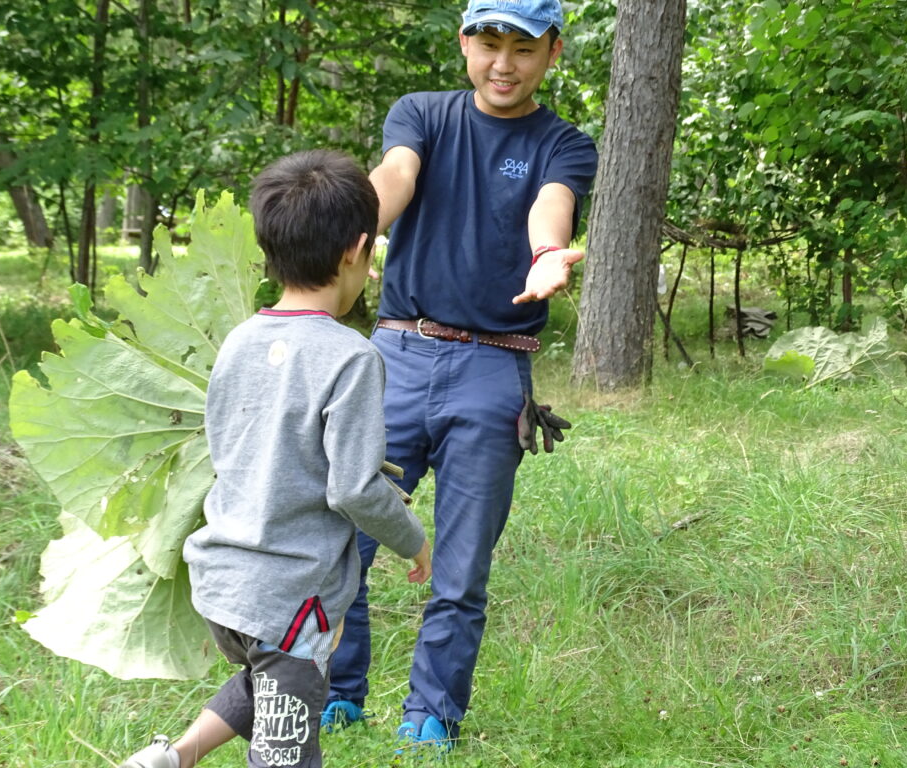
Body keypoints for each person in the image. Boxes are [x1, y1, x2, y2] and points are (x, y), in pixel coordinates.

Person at [320, 0, 599, 753]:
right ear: (465, 44)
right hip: (395, 359)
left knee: (462, 564)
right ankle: (335, 693)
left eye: (524, 48)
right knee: (344, 540)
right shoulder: (422, 113)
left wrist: (548, 254)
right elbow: (396, 174)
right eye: (490, 43)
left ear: (553, 54)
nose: (504, 64)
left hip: (494, 368)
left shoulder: (564, 143)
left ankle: (431, 713)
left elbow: (551, 205)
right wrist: (355, 227)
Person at [119, 149, 432, 768]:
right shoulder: (352, 357)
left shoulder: (239, 340)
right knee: (285, 728)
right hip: (291, 596)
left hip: (223, 582)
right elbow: (354, 489)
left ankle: (173, 757)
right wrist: (414, 541)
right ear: (358, 250)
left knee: (266, 677)